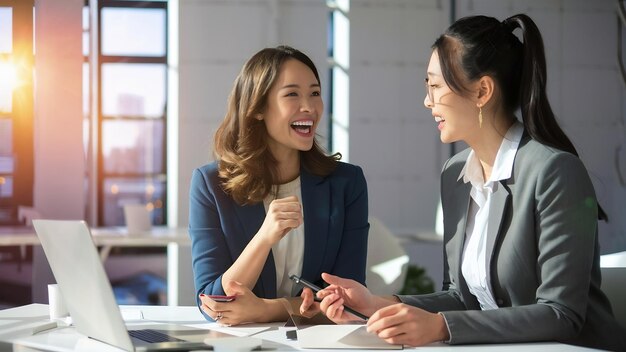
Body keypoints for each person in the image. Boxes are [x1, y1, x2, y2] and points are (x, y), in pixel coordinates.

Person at [300, 14, 625, 350]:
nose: (427, 101)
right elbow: (462, 297)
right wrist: (377, 304)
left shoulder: (554, 172)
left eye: (435, 86)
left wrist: (441, 327)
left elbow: (562, 314)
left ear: (482, 90)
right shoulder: (456, 175)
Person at [189, 45, 369, 325]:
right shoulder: (210, 185)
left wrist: (268, 309)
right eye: (292, 94)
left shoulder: (347, 183)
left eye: (315, 93)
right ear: (258, 108)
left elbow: (347, 299)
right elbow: (211, 302)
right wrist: (265, 237)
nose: (309, 107)